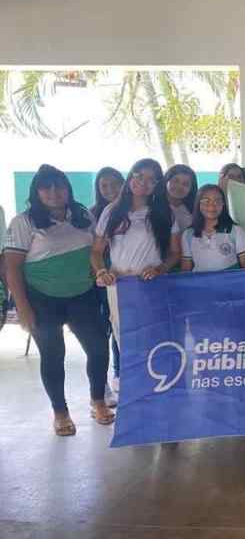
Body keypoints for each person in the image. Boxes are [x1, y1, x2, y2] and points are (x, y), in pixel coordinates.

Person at [3, 165, 114, 435]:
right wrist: (23, 308)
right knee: (53, 356)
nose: (53, 193)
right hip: (42, 300)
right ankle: (60, 412)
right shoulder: (23, 221)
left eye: (59, 186)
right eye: (46, 187)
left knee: (99, 349)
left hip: (83, 296)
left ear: (68, 188)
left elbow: (94, 250)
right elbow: (11, 268)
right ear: (37, 191)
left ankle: (98, 402)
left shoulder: (83, 215)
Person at [92, 159, 182, 353]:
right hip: (119, 285)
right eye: (139, 176)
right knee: (124, 342)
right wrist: (101, 272)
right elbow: (96, 251)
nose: (143, 182)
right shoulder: (111, 211)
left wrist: (160, 269)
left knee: (153, 340)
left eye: (151, 179)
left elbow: (175, 253)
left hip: (151, 285)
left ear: (157, 185)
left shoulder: (165, 213)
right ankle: (128, 382)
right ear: (131, 176)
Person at [89, 166, 125, 404]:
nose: (110, 189)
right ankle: (100, 388)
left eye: (115, 184)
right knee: (102, 331)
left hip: (125, 281)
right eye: (104, 185)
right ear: (98, 189)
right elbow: (93, 251)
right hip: (102, 281)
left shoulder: (131, 212)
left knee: (121, 332)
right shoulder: (92, 215)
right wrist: (100, 272)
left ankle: (120, 375)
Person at [181, 184, 245, 272]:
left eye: (217, 201)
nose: (212, 206)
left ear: (223, 205)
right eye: (206, 201)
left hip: (229, 284)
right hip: (200, 284)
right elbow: (185, 271)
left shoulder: (236, 231)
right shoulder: (188, 234)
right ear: (198, 204)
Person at [164, 164, 198, 233]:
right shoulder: (154, 206)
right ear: (167, 181)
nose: (179, 187)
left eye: (185, 184)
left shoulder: (194, 208)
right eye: (175, 181)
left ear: (191, 189)